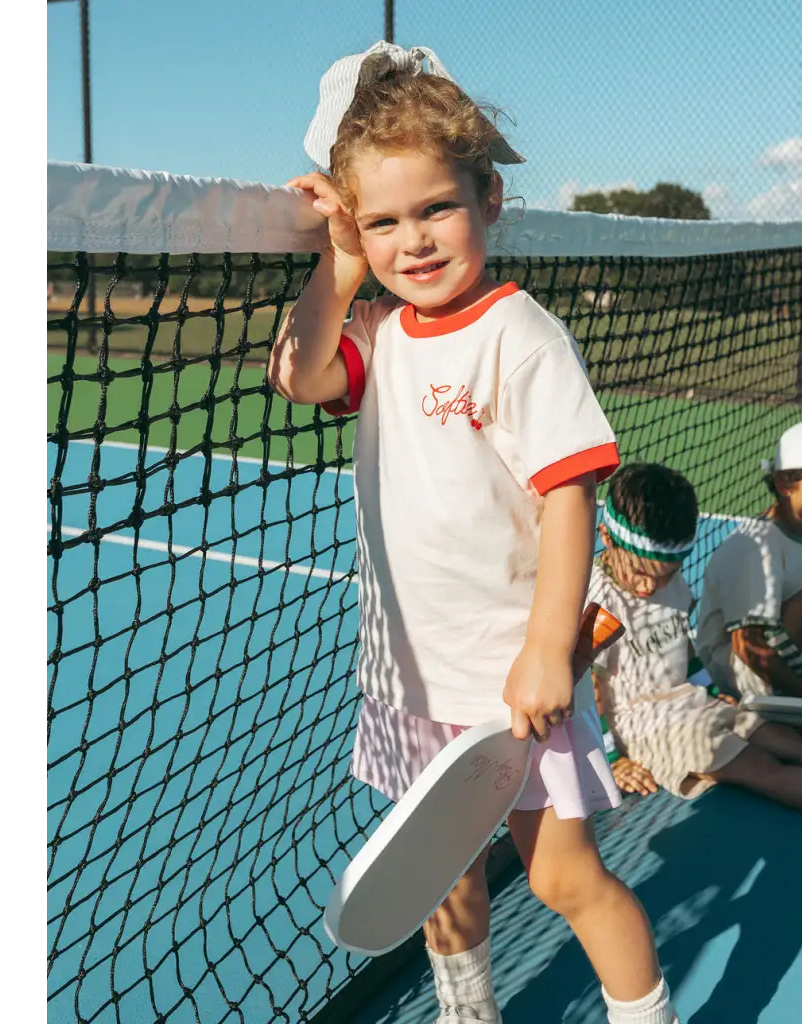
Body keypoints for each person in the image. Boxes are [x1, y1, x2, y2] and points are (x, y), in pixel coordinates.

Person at [267, 41, 678, 1024]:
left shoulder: (520, 335)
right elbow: (298, 371)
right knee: (440, 882)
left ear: (488, 196)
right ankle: (467, 1011)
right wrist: (339, 259)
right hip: (411, 678)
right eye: (383, 221)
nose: (413, 239)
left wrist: (547, 651)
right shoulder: (374, 333)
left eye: (435, 208)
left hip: (513, 684)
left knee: (562, 879)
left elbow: (571, 493)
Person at [589, 462, 802, 815]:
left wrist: (715, 692)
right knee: (760, 767)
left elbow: (682, 648)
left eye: (664, 575)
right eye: (640, 573)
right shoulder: (598, 603)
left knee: (785, 739)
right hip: (646, 725)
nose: (648, 587)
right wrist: (610, 757)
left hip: (692, 701)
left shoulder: (671, 583)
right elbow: (590, 691)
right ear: (606, 538)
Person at [696, 417, 802, 708]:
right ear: (786, 483)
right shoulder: (755, 547)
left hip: (785, 648)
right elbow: (748, 647)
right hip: (745, 674)